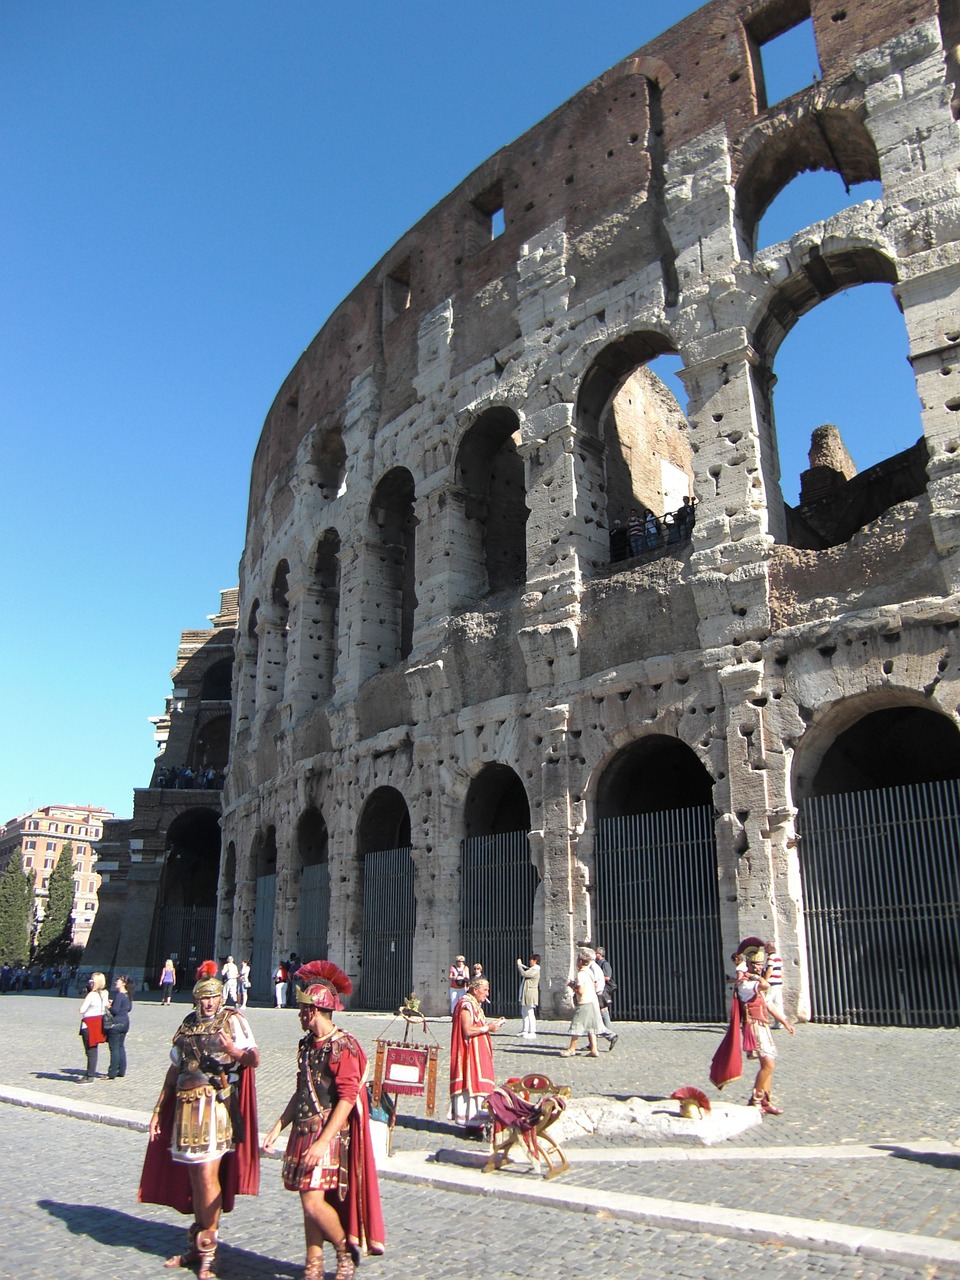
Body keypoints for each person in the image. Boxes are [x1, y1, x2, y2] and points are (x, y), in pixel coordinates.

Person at [263, 960, 385, 1280]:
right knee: (309, 1200)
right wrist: (278, 1126)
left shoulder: (343, 1046)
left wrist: (322, 1142)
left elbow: (347, 1098)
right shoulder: (306, 1045)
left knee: (313, 1202)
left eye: (303, 1009)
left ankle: (345, 1250)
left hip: (326, 1134)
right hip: (303, 1129)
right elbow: (301, 1090)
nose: (299, 1015)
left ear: (314, 1010)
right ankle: (313, 1264)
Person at [138, 960, 260, 1279]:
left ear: (221, 996)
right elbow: (174, 1068)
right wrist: (156, 1109)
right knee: (194, 1177)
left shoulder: (233, 1020)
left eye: (212, 997)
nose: (208, 1003)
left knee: (207, 1175)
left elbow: (254, 1059)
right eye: (203, 997)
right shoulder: (188, 1023)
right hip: (184, 1105)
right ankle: (198, 1241)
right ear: (196, 998)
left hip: (215, 1104)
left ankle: (209, 1248)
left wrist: (233, 1050)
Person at [710, 938, 794, 1115]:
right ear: (748, 963)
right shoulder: (746, 984)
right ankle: (755, 1100)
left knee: (768, 1065)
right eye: (755, 964)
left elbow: (769, 1004)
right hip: (754, 1026)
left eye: (760, 964)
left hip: (764, 1025)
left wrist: (785, 1022)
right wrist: (753, 974)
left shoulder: (752, 980)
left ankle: (765, 1101)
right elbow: (765, 985)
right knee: (768, 1065)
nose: (759, 967)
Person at [449, 976, 504, 1138]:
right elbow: (468, 1030)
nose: (487, 994)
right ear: (475, 989)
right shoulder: (466, 1004)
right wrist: (489, 1028)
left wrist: (491, 1025)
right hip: (471, 1055)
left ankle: (478, 1121)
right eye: (485, 990)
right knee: (473, 1083)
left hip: (479, 1052)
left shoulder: (474, 1004)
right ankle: (472, 1123)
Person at [560, 951, 603, 1057]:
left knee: (576, 1025)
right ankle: (594, 1049)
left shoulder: (580, 974)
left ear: (580, 962)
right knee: (591, 1027)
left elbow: (580, 991)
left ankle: (571, 1049)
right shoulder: (590, 972)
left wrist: (572, 986)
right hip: (593, 1001)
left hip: (584, 1002)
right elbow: (594, 986)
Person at [78, 972, 109, 1082]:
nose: (90, 983)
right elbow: (106, 1006)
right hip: (98, 1023)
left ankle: (89, 1075)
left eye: (91, 981)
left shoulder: (91, 995)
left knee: (90, 1051)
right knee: (94, 1049)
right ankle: (90, 1073)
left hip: (89, 1023)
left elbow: (82, 1010)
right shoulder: (105, 993)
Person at [106, 974, 133, 1079]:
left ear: (123, 984)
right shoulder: (128, 995)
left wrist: (108, 1006)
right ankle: (121, 1071)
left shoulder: (119, 995)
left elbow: (114, 1011)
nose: (116, 982)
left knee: (114, 1048)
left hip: (116, 1024)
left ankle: (112, 1072)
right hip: (125, 1023)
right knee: (121, 1047)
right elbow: (129, 1008)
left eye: (118, 980)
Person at [594, 946, 619, 1050]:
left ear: (599, 954)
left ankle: (608, 1030)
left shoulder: (605, 964)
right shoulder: (598, 964)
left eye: (596, 953)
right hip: (600, 989)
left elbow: (608, 977)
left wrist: (597, 977)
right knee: (600, 1010)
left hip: (603, 990)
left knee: (603, 1010)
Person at [516, 953, 541, 1039]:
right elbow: (526, 970)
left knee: (530, 1012)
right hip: (526, 992)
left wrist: (519, 965)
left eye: (531, 960)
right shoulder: (532, 969)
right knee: (524, 1012)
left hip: (530, 993)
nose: (529, 961)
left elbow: (524, 974)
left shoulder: (535, 969)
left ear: (535, 961)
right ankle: (525, 1030)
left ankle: (532, 1031)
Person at [763, 940, 785, 1026]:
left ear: (769, 947)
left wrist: (765, 980)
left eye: (765, 947)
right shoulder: (778, 957)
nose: (764, 948)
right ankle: (779, 1023)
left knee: (767, 1001)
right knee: (777, 1003)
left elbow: (769, 970)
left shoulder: (770, 958)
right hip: (779, 982)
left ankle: (781, 1018)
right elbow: (781, 971)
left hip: (772, 982)